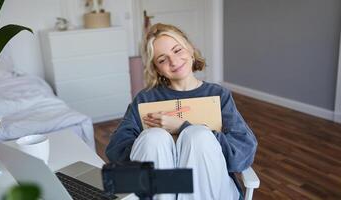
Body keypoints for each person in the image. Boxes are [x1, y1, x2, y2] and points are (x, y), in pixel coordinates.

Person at [105, 23, 257, 200]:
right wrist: (160, 150)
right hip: (161, 188)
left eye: (177, 50)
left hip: (209, 186)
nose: (174, 61)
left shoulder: (218, 95)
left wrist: (184, 128)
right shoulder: (145, 99)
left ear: (190, 49)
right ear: (156, 68)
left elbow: (242, 153)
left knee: (198, 135)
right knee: (154, 138)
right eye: (162, 59)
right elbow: (115, 150)